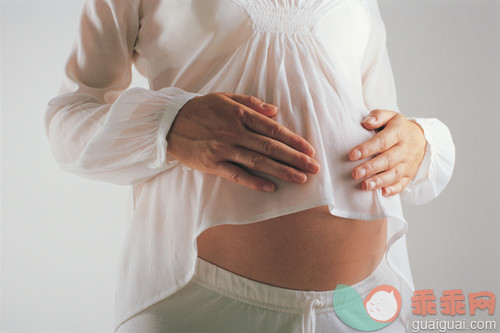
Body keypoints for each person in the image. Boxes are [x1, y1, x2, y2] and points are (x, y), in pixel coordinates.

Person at [45, 0, 455, 332]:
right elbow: (69, 118)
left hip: (364, 309)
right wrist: (169, 123)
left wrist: (417, 142)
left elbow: (382, 120)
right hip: (202, 310)